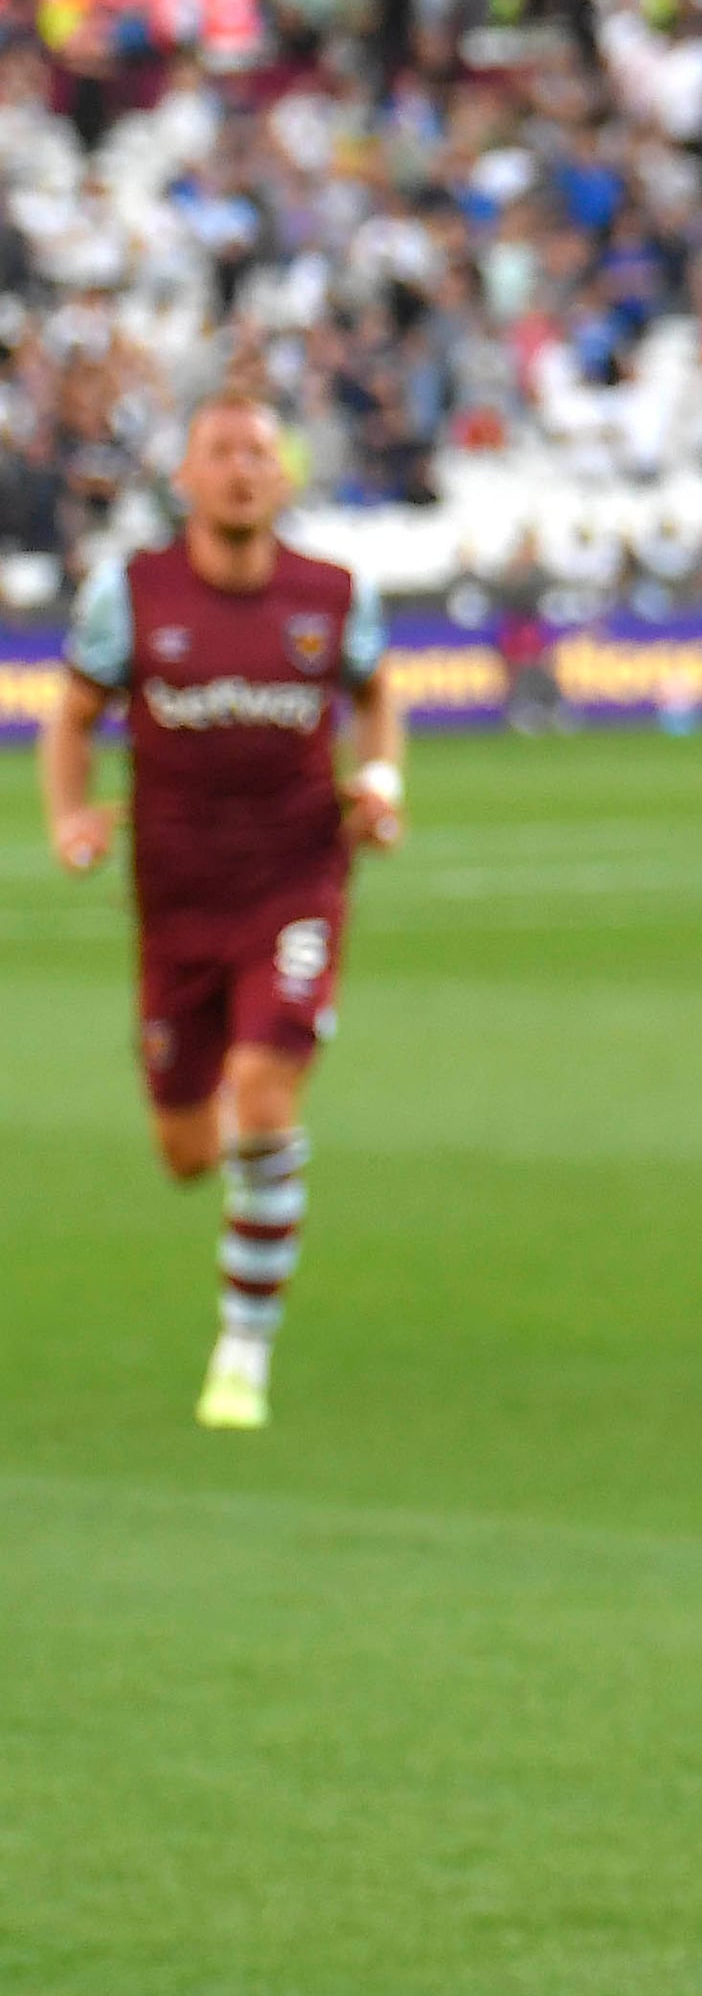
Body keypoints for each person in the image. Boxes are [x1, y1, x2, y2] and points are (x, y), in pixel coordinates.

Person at [41, 392, 402, 1430]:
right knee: (188, 1151)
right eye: (220, 453)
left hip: (296, 883)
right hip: (175, 903)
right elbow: (69, 720)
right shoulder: (132, 595)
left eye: (258, 452)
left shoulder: (332, 594)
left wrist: (380, 787)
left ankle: (243, 1351)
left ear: (284, 477)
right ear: (186, 478)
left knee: (263, 1085)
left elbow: (377, 694)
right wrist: (72, 818)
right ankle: (243, 1268)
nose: (241, 468)